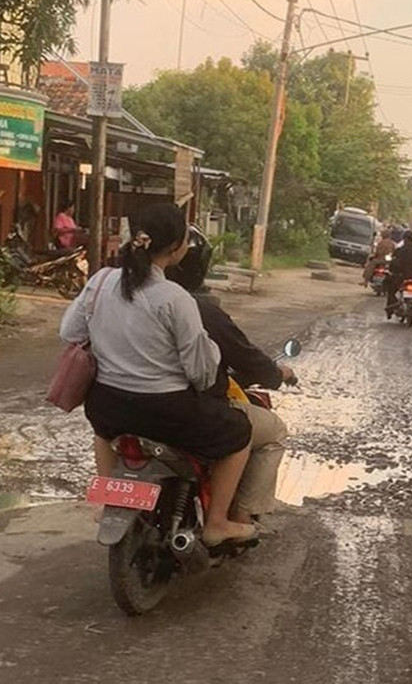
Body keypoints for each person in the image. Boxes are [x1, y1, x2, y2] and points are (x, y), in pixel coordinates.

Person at [60, 203, 256, 546]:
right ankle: (217, 524)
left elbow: (70, 332)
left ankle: (110, 502)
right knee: (240, 434)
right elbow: (201, 373)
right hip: (167, 413)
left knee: (104, 433)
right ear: (177, 248)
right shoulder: (174, 298)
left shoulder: (101, 280)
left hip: (107, 406)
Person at [166, 228, 292, 526]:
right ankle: (237, 516)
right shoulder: (200, 310)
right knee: (271, 431)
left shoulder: (129, 298)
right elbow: (244, 356)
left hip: (128, 405)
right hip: (186, 408)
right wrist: (276, 374)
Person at [386, 229, 412, 318]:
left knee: (390, 287)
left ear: (404, 239)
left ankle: (390, 307)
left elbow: (394, 264)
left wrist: (394, 270)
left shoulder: (400, 250)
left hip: (401, 277)